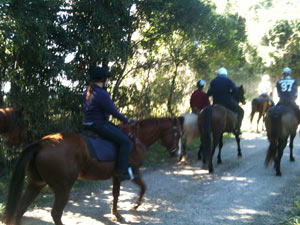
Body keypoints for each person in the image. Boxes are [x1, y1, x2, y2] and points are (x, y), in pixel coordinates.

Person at [83, 66, 135, 181]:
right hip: (99, 125)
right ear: (103, 79)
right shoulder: (102, 93)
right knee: (125, 141)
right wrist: (127, 120)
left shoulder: (87, 91)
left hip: (87, 124)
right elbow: (113, 112)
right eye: (107, 79)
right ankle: (122, 171)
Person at [207, 67, 244, 135]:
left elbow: (209, 93)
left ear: (218, 74)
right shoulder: (228, 80)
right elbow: (235, 90)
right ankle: (237, 129)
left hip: (216, 103)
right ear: (225, 74)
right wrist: (230, 94)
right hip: (227, 102)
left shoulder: (213, 81)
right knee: (241, 111)